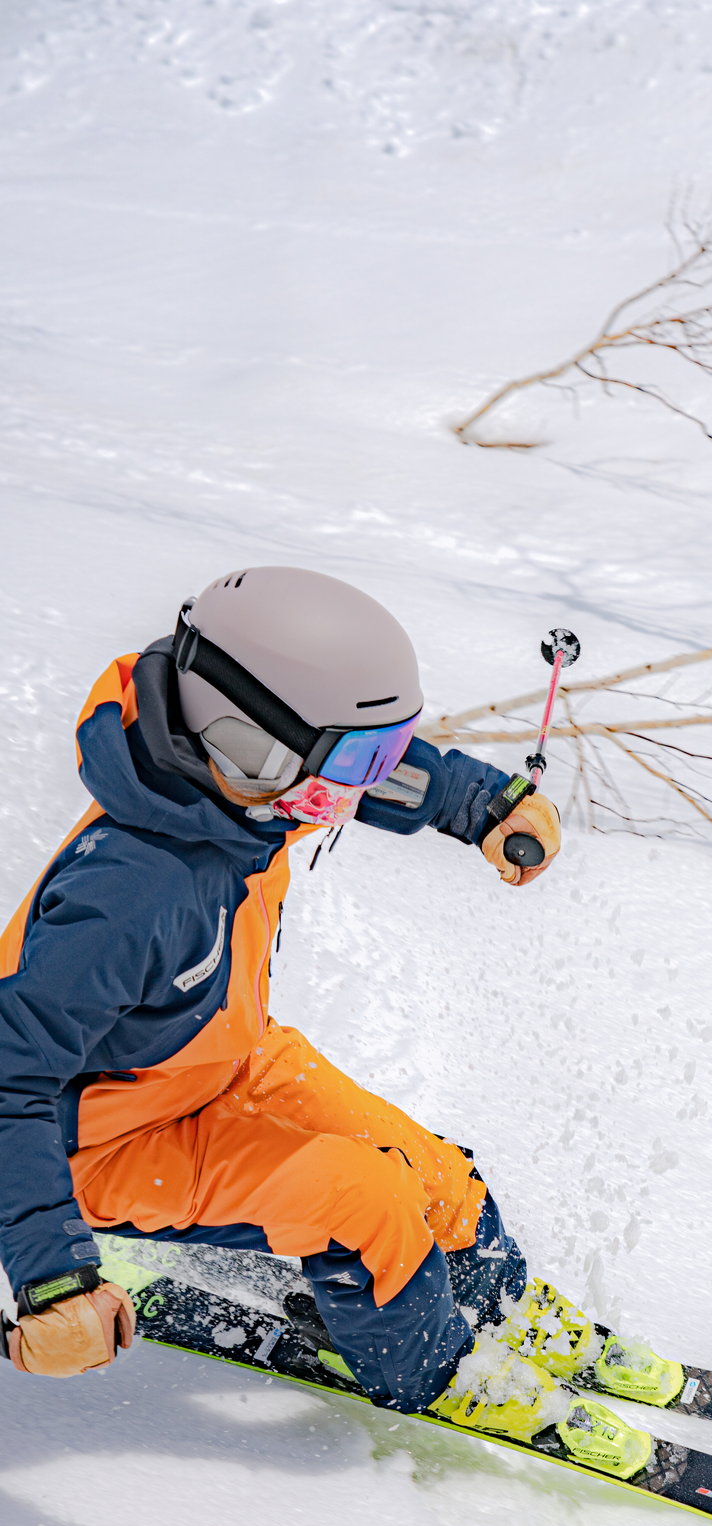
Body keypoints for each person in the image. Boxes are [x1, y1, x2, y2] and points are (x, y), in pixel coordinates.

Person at [0, 567, 676, 1478]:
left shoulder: (233, 788)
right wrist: (53, 1282)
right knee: (363, 1199)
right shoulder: (132, 892)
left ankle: (503, 1309)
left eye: (377, 753)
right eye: (353, 761)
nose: (365, 785)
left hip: (215, 1060)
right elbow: (9, 1081)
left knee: (435, 1174)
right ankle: (440, 1369)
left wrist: (481, 805)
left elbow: (389, 776)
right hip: (102, 1140)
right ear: (252, 745)